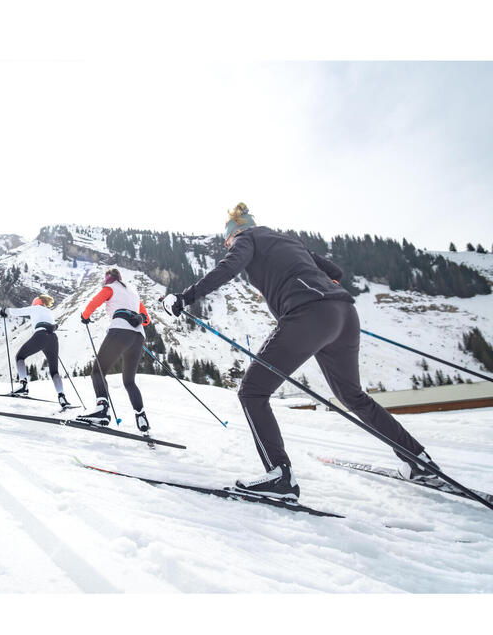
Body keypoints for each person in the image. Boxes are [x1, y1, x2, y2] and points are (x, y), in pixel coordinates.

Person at [166, 202, 439, 501]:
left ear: (233, 234)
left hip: (308, 316)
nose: (228, 245)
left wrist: (185, 297)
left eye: (227, 240)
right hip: (344, 314)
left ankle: (280, 476)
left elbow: (229, 268)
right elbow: (335, 271)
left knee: (252, 393)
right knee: (353, 396)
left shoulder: (247, 239)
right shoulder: (287, 239)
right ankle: (419, 461)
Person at [77, 268, 151, 433]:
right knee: (129, 381)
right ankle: (141, 416)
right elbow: (146, 319)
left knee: (98, 372)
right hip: (138, 336)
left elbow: (94, 302)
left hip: (120, 331)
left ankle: (102, 410)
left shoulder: (110, 288)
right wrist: (140, 318)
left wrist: (85, 316)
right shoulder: (132, 293)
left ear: (109, 278)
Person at [0, 295, 70, 410]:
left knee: (20, 357)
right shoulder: (48, 311)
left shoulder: (35, 308)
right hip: (53, 338)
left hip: (40, 336)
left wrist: (5, 310)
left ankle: (23, 386)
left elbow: (19, 311)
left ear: (37, 302)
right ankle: (62, 397)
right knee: (54, 371)